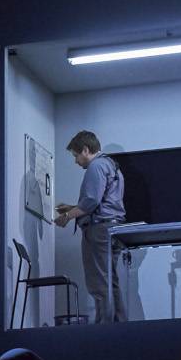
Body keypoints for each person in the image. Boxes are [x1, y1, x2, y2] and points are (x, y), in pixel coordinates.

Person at [54, 131, 126, 323]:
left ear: (86, 150)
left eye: (76, 155)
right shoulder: (112, 165)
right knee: (110, 282)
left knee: (99, 283)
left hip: (99, 230)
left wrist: (67, 216)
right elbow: (103, 201)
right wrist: (72, 207)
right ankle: (119, 326)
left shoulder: (96, 166)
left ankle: (103, 329)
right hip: (113, 229)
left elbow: (91, 201)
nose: (76, 161)